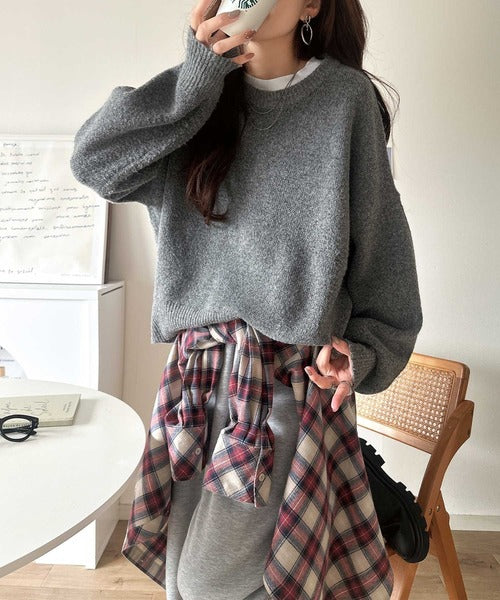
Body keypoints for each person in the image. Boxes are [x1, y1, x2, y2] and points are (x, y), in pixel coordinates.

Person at [70, 1, 424, 598]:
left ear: (310, 4)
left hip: (282, 388)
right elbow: (94, 163)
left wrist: (366, 352)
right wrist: (195, 81)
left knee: (209, 584)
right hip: (193, 384)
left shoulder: (344, 100)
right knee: (181, 582)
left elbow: (383, 249)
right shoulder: (198, 100)